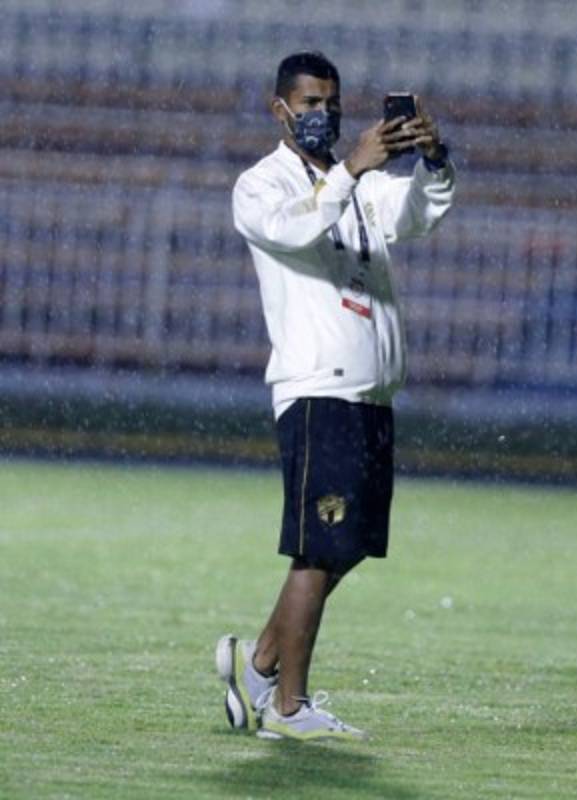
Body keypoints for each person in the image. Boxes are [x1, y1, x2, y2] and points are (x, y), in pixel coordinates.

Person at [216, 51, 455, 740]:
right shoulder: (261, 186)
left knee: (343, 545)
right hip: (319, 389)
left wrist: (433, 162)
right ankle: (286, 710)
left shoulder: (360, 183)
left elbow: (418, 216)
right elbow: (296, 229)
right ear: (279, 109)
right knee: (319, 549)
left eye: (331, 103)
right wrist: (352, 168)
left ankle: (259, 661)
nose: (322, 115)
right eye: (309, 103)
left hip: (371, 393)